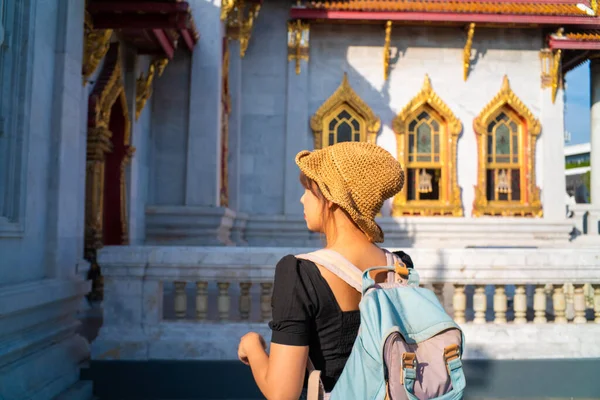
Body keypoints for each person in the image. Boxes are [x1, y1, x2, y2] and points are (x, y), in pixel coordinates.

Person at [237, 141, 405, 400]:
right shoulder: (400, 267)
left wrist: (252, 345)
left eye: (308, 190)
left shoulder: (299, 273)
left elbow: (281, 394)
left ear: (333, 198)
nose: (302, 198)